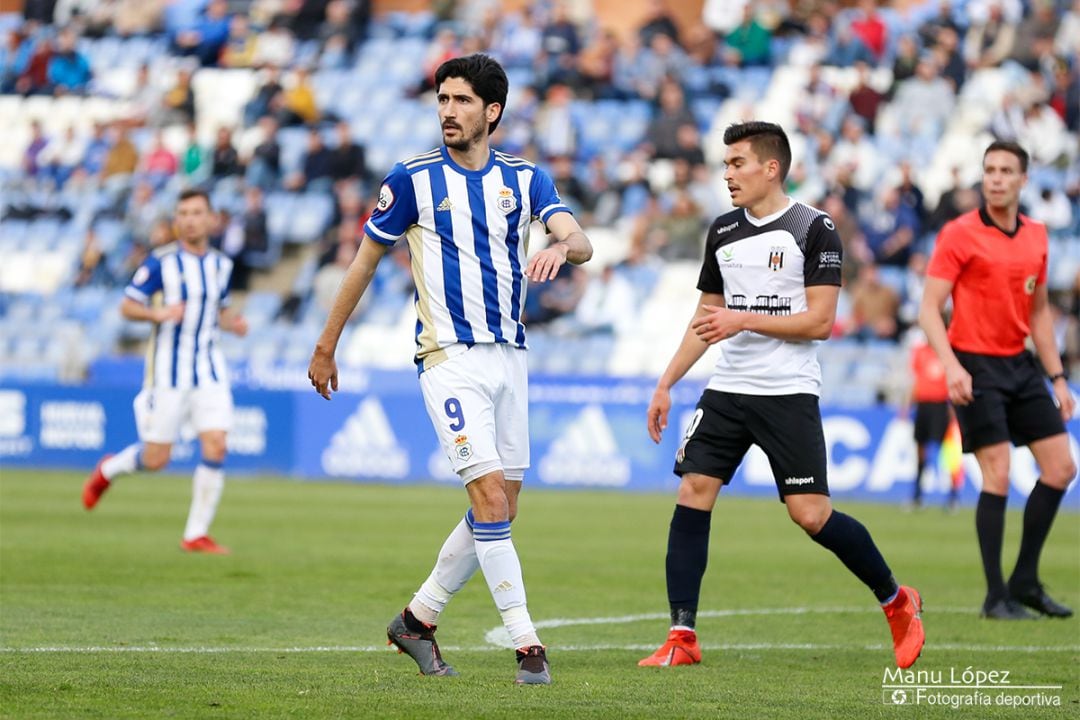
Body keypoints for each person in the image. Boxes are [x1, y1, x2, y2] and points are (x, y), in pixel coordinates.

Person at [306, 54, 592, 685]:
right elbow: (363, 263)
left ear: (492, 111)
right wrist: (327, 344)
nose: (448, 111)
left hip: (511, 359)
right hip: (448, 359)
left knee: (502, 509)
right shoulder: (411, 179)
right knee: (488, 497)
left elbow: (582, 241)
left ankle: (417, 619)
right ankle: (528, 645)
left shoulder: (525, 178)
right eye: (442, 99)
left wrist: (559, 244)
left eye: (461, 101)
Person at [639, 121, 924, 670]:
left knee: (811, 515)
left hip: (786, 391)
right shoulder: (722, 231)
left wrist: (742, 318)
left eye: (738, 163)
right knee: (694, 490)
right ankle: (682, 636)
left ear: (772, 168)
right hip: (727, 388)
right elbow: (706, 317)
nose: (727, 174)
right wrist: (666, 382)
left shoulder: (814, 229)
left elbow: (820, 322)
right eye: (724, 164)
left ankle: (896, 599)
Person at [918, 140, 1076, 620]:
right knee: (999, 475)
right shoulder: (959, 233)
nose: (997, 178)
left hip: (1021, 365)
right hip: (974, 364)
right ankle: (995, 596)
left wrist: (1058, 377)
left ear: (1024, 179)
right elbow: (928, 310)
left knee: (1061, 469)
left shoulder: (1036, 235)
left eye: (1007, 170)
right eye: (990, 170)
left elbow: (1040, 311)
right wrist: (951, 366)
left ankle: (1025, 580)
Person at [82, 189, 249, 555]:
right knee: (156, 459)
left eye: (196, 212)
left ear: (210, 219)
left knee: (217, 444)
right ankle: (108, 470)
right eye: (183, 213)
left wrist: (232, 323)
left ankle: (195, 534)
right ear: (177, 220)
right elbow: (127, 306)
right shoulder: (161, 263)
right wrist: (157, 314)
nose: (190, 219)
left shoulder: (221, 265)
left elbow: (217, 310)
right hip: (168, 372)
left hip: (209, 368)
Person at [904, 330, 951, 508]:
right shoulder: (919, 351)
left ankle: (950, 495)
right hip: (922, 406)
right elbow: (915, 380)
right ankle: (917, 494)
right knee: (920, 449)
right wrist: (907, 406)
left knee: (945, 451)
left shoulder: (947, 352)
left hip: (941, 406)